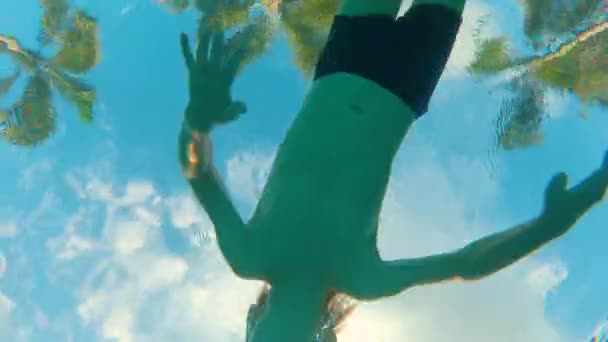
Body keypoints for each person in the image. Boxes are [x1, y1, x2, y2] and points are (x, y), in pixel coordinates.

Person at [177, 0, 608, 341]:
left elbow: (198, 174)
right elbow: (467, 264)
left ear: (250, 330)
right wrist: (546, 227)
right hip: (408, 82)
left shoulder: (250, 254)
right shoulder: (362, 277)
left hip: (344, 63)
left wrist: (196, 120)